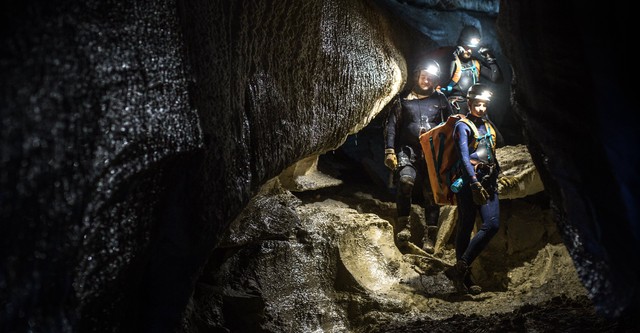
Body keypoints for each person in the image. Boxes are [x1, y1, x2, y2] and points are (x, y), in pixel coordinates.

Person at [383, 60, 453, 254]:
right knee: (405, 181)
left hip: (433, 153)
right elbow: (391, 125)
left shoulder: (440, 99)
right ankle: (404, 226)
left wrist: (451, 153)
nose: (426, 80)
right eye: (424, 76)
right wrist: (389, 150)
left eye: (430, 78)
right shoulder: (404, 99)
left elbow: (452, 124)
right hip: (408, 150)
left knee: (432, 193)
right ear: (417, 76)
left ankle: (430, 235)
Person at [444, 83, 500, 295]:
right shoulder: (463, 126)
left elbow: (494, 149)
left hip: (489, 181)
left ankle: (460, 267)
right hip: (470, 183)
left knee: (492, 224)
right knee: (465, 226)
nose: (482, 109)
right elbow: (464, 158)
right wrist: (474, 184)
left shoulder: (487, 124)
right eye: (478, 105)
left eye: (485, 105)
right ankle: (465, 280)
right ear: (469, 103)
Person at [441, 25, 504, 116]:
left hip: (475, 102)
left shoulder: (475, 63)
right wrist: (453, 57)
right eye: (466, 47)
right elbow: (445, 80)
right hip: (456, 104)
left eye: (471, 48)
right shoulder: (451, 60)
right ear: (460, 44)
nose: (469, 51)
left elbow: (497, 79)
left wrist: (491, 59)